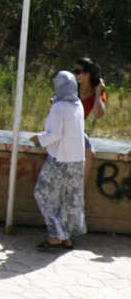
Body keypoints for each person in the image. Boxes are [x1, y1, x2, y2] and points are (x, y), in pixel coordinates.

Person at [30, 70, 88, 249]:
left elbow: (54, 134)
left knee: (43, 194)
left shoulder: (58, 107)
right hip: (78, 160)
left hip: (60, 159)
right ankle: (66, 236)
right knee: (68, 200)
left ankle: (55, 236)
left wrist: (38, 139)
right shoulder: (78, 104)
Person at [74, 57, 106, 124]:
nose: (75, 74)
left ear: (88, 74)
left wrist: (97, 94)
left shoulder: (98, 90)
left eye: (77, 72)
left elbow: (98, 115)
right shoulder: (71, 88)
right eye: (74, 71)